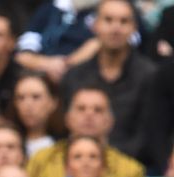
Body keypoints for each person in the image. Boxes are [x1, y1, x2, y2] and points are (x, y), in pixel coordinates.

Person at [61, 0, 157, 160]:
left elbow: (149, 134)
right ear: (95, 25)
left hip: (134, 166)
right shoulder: (74, 76)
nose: (115, 28)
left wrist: (109, 159)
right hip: (80, 163)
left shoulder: (150, 76)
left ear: (134, 27)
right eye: (108, 20)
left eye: (124, 21)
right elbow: (65, 129)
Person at [8, 71, 65, 158]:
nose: (27, 105)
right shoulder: (5, 141)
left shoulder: (65, 145)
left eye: (36, 97)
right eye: (21, 98)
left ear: (53, 102)